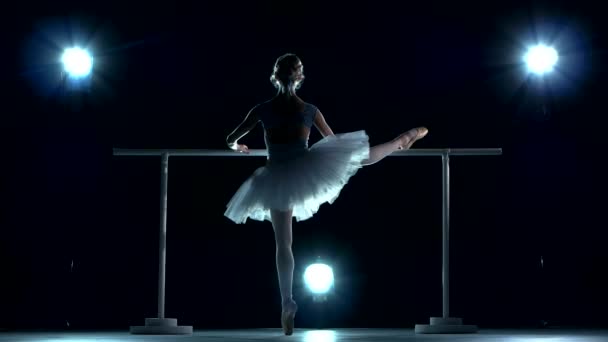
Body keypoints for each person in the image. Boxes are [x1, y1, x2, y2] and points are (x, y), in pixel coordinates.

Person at [224, 53, 427, 335]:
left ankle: (287, 302)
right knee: (360, 158)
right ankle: (400, 141)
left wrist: (238, 147)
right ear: (299, 77)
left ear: (274, 77)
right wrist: (339, 155)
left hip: (277, 175)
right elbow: (333, 143)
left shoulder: (262, 110)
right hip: (304, 169)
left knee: (283, 245)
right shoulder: (309, 109)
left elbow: (230, 139)